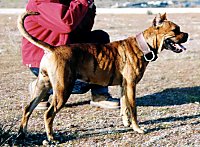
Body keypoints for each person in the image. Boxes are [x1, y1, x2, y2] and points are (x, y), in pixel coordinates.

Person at [21, 0, 120, 110]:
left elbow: (83, 31)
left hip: (67, 56)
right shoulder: (42, 2)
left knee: (100, 38)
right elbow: (66, 24)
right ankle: (42, 87)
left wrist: (88, 8)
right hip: (45, 61)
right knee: (79, 86)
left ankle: (100, 95)